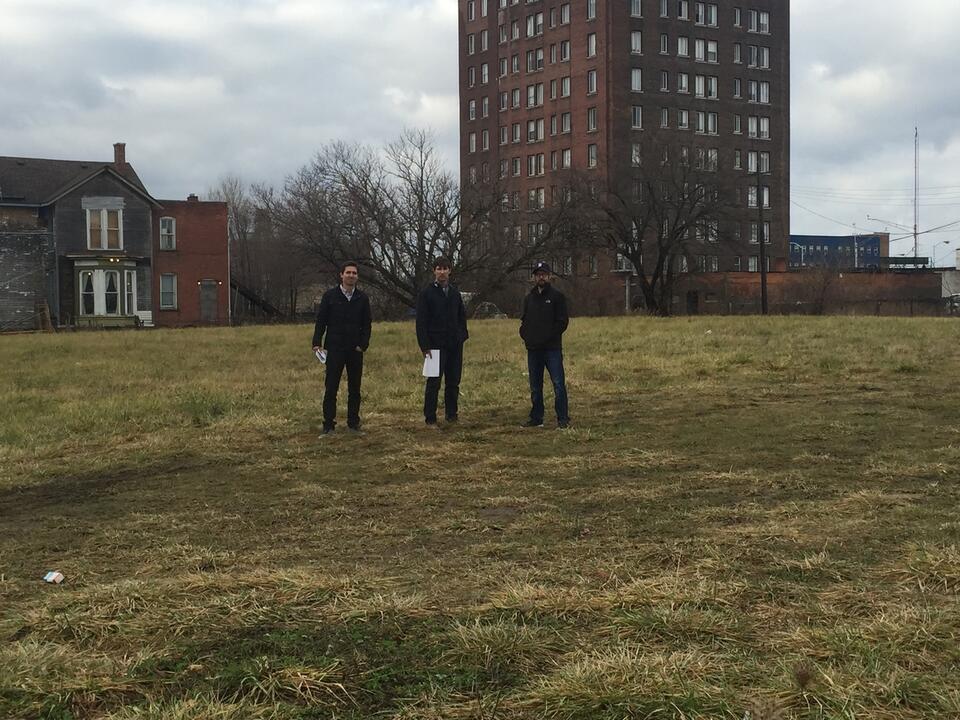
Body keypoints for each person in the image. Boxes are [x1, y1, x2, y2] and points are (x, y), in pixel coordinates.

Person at [312, 261, 372, 434]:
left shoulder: (362, 298)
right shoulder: (330, 296)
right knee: (331, 388)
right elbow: (321, 321)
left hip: (355, 350)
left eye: (354, 273)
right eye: (348, 272)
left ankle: (353, 424)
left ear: (357, 276)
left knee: (355, 389)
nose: (351, 275)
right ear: (341, 275)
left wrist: (363, 345)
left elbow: (367, 324)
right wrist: (317, 342)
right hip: (335, 348)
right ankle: (328, 425)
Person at [416, 256, 469, 426]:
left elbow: (461, 316)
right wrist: (425, 345)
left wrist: (462, 336)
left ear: (450, 271)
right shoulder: (426, 293)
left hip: (454, 344)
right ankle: (430, 418)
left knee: (453, 382)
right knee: (434, 383)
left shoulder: (454, 293)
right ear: (434, 271)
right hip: (434, 346)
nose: (442, 272)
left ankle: (451, 415)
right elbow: (421, 322)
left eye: (445, 268)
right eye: (439, 268)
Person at [519, 261, 570, 429]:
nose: (541, 277)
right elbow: (525, 320)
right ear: (534, 277)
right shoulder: (529, 298)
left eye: (544, 274)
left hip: (552, 349)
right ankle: (536, 417)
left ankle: (562, 418)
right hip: (533, 349)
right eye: (538, 274)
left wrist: (548, 337)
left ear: (549, 276)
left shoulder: (557, 297)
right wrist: (525, 335)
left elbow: (562, 322)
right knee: (535, 386)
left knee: (558, 383)